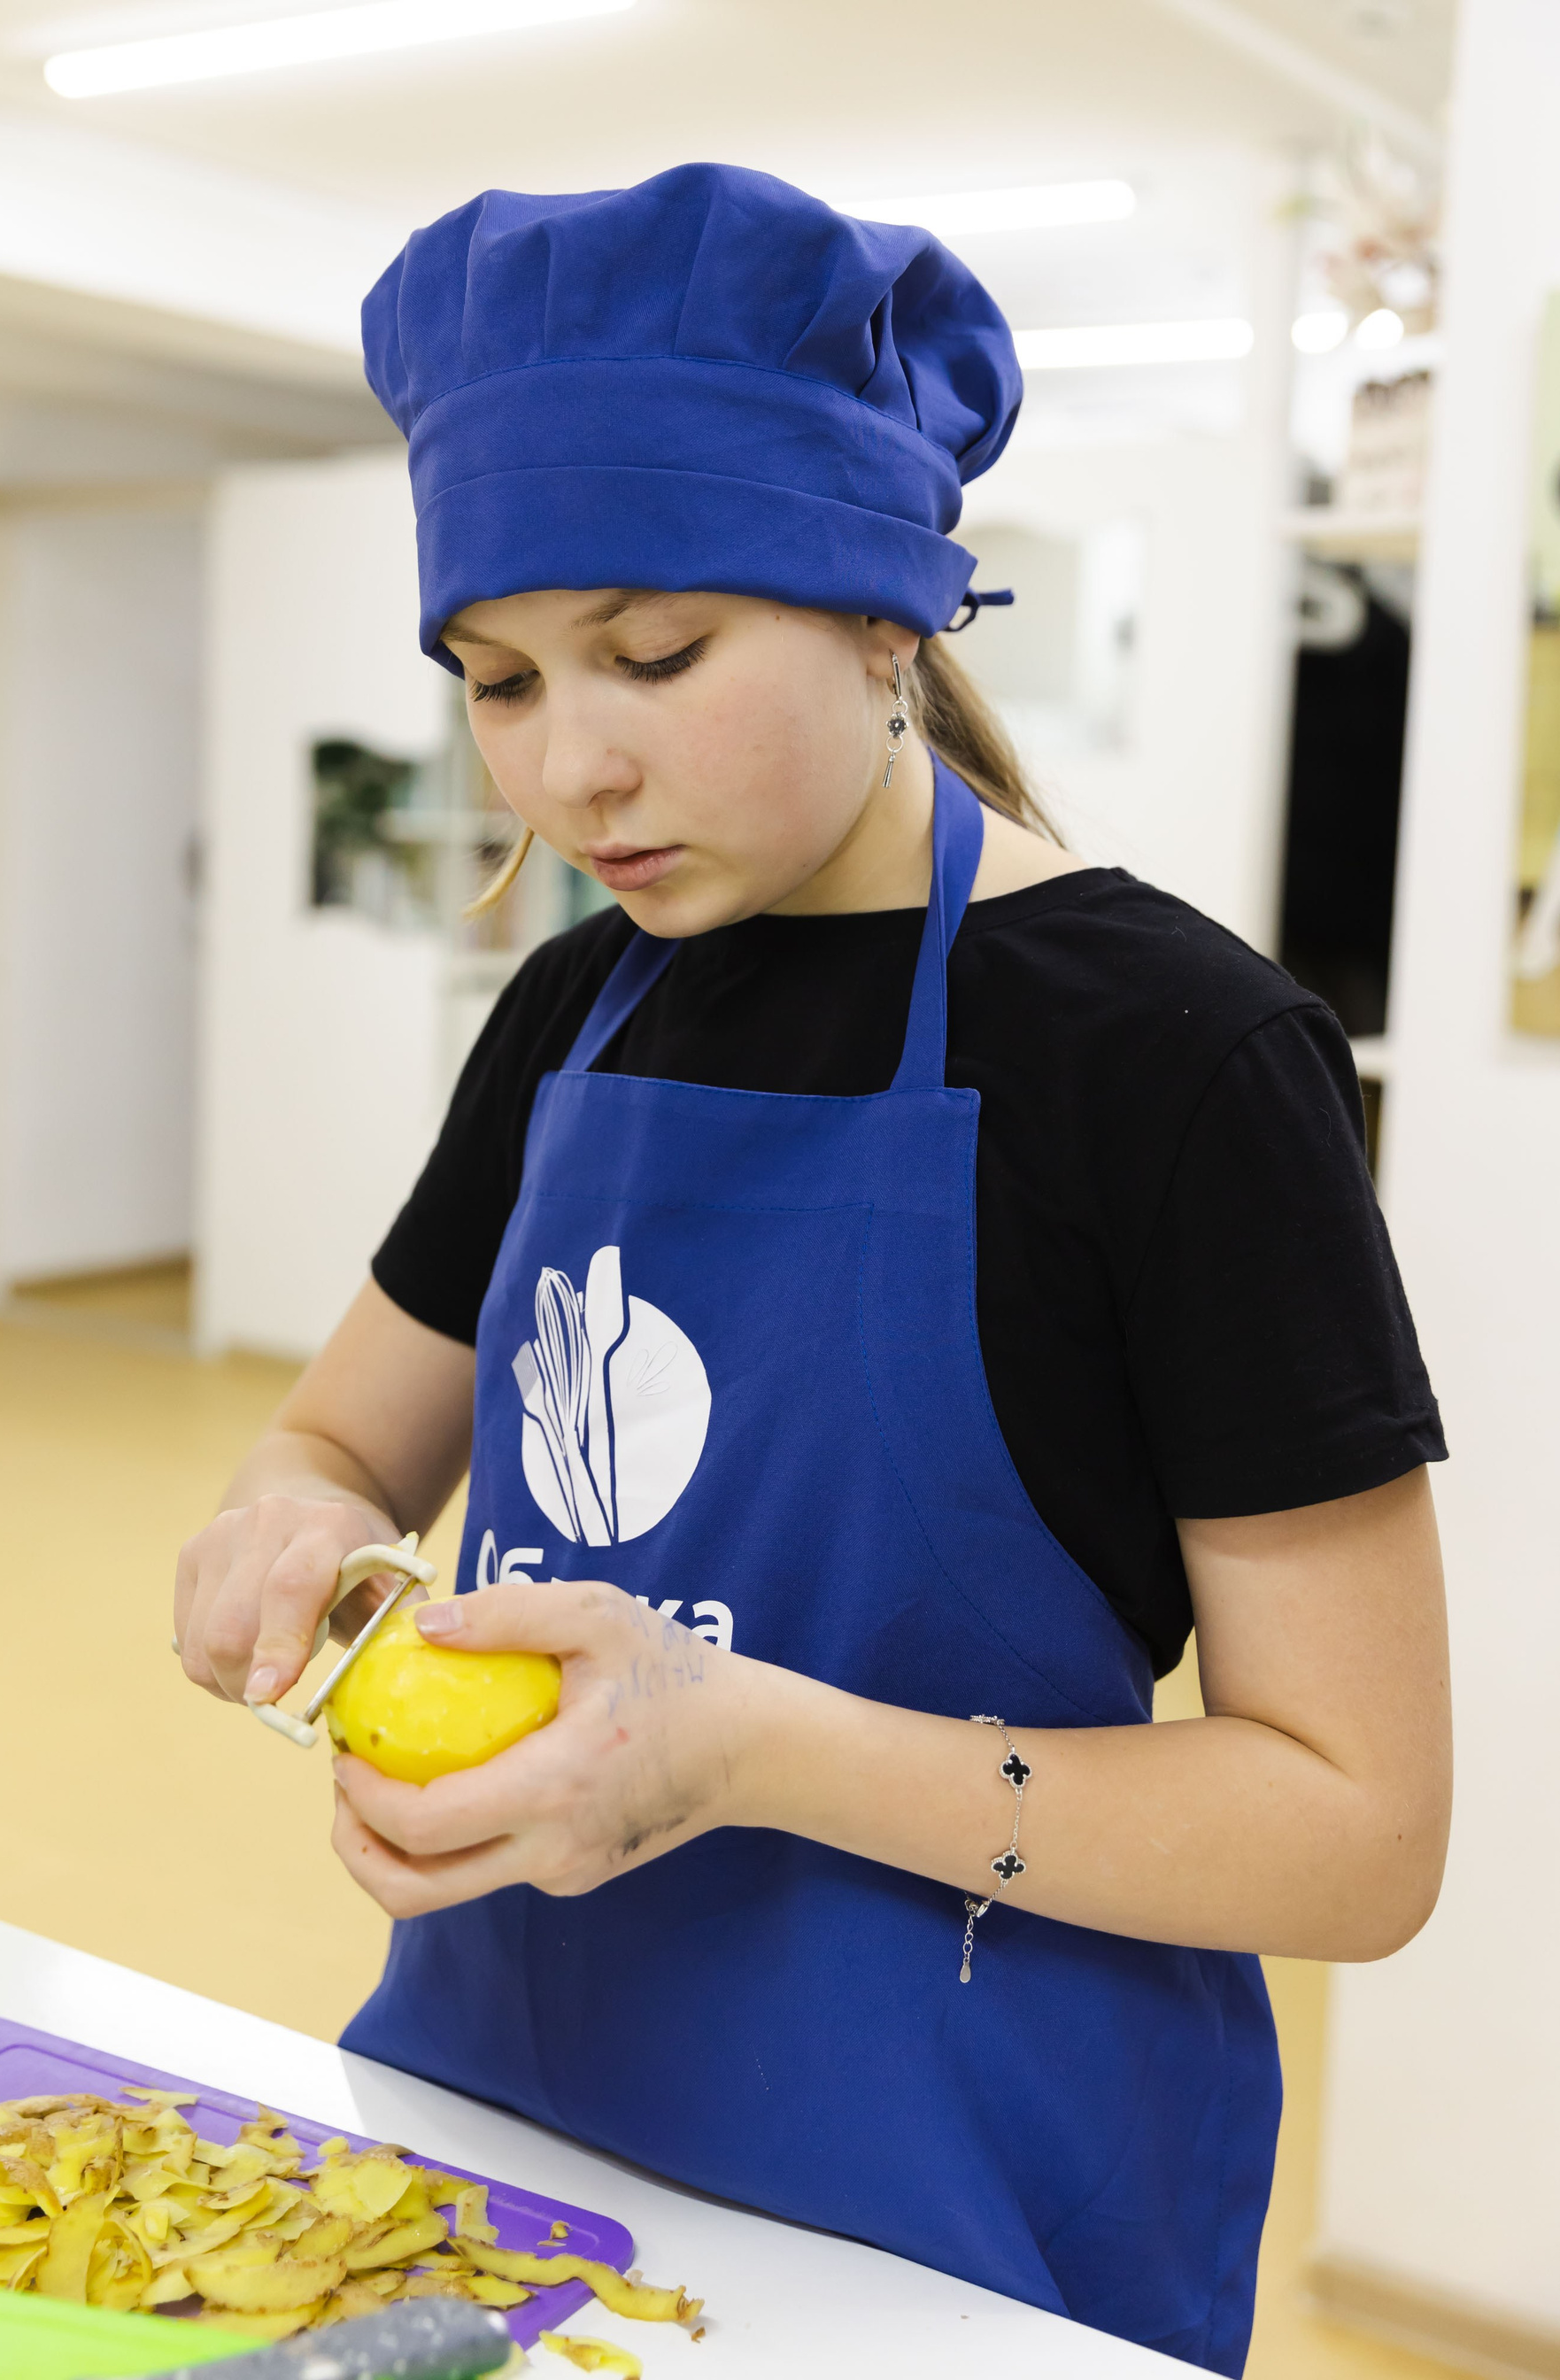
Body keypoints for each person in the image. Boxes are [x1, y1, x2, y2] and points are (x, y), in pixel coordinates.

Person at [174, 164, 1450, 2375]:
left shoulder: (1174, 1055)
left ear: (885, 616)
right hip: (499, 2133)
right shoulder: (573, 1013)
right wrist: (286, 1529)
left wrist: (740, 1751)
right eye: (499, 681)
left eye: (656, 654)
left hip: (949, 2218)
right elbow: (334, 1444)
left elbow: (1359, 1833)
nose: (571, 767)